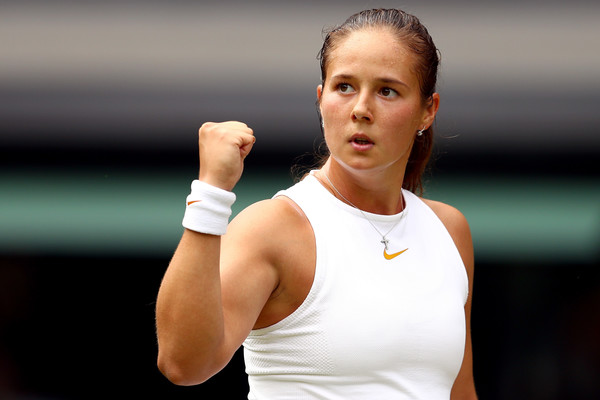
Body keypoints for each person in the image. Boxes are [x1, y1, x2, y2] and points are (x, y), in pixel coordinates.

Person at [156, 8, 477, 399]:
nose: (361, 109)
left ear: (428, 110)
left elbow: (459, 391)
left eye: (387, 90)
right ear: (321, 97)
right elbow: (182, 364)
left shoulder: (449, 230)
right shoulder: (273, 228)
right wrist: (209, 195)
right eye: (344, 87)